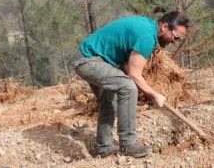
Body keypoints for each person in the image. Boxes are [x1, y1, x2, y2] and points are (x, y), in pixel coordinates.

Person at [73, 11, 189, 158]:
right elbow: (133, 74)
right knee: (128, 87)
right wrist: (154, 95)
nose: (175, 41)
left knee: (109, 100)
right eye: (176, 36)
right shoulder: (147, 37)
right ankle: (128, 144)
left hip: (96, 61)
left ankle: (104, 148)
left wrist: (148, 91)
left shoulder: (147, 27)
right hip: (88, 61)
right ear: (165, 26)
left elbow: (127, 67)